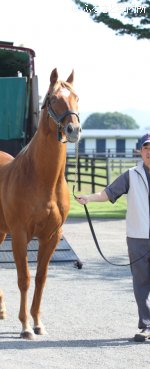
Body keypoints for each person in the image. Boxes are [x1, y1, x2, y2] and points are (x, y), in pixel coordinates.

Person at [76, 133, 150, 342]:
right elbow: (108, 193)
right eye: (146, 148)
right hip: (138, 237)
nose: (149, 152)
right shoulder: (131, 175)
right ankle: (146, 326)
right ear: (140, 151)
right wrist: (88, 198)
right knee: (141, 283)